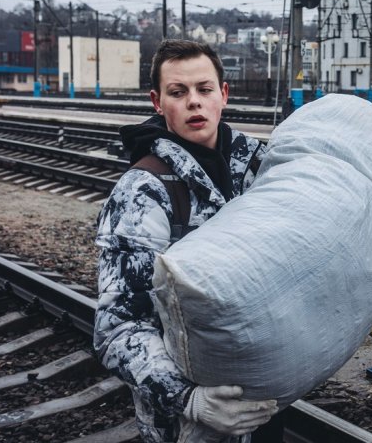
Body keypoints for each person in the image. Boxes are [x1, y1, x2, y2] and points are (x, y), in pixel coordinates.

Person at [94, 40, 279, 442]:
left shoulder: (262, 169)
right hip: (183, 421)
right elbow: (117, 328)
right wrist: (188, 398)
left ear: (223, 94)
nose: (194, 102)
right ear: (157, 102)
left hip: (266, 400)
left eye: (204, 89)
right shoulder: (142, 192)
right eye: (178, 93)